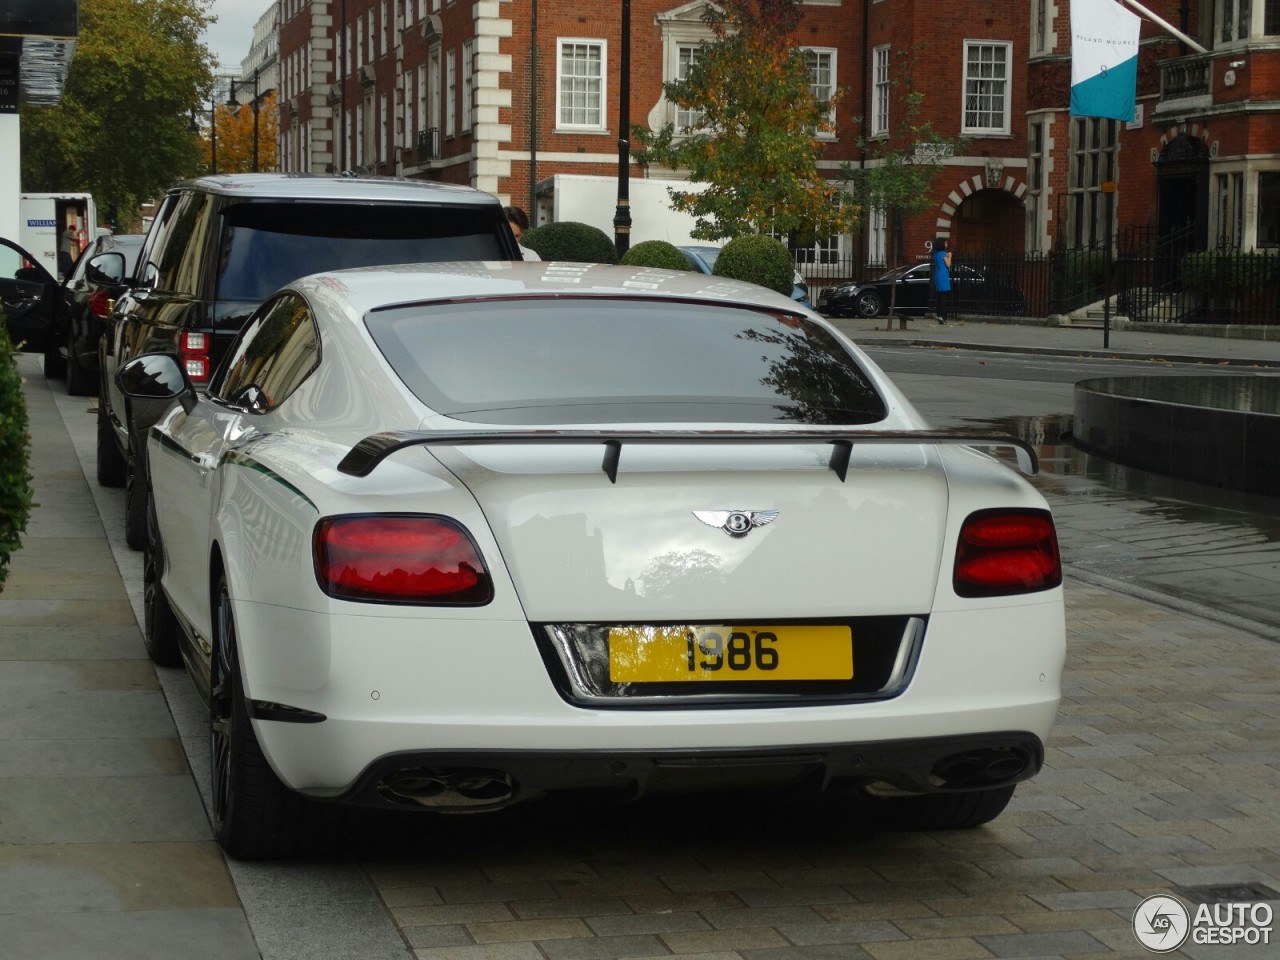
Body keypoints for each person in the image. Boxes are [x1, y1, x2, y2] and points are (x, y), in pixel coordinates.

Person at [931, 237, 952, 324]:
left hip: (938, 274)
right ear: (942, 244)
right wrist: (950, 256)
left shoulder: (935, 254)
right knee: (943, 297)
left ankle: (939, 315)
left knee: (939, 296)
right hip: (943, 275)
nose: (947, 244)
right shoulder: (943, 253)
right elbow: (948, 264)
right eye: (946, 243)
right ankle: (943, 317)